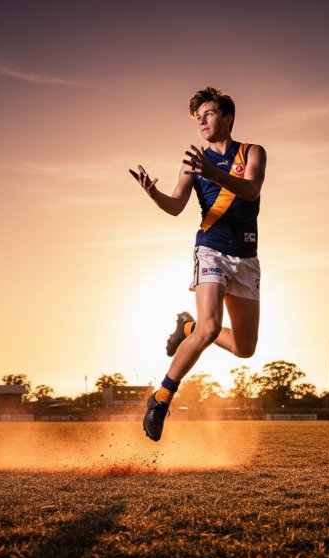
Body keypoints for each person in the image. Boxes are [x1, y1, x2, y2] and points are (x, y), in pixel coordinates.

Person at [129, 87, 267, 441]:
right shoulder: (193, 163)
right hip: (211, 250)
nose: (202, 122)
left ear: (227, 117)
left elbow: (250, 190)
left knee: (244, 349)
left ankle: (185, 329)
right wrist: (153, 194)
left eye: (207, 114)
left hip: (246, 257)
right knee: (210, 328)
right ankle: (161, 399)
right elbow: (175, 205)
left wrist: (212, 171)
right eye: (197, 118)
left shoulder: (253, 152)